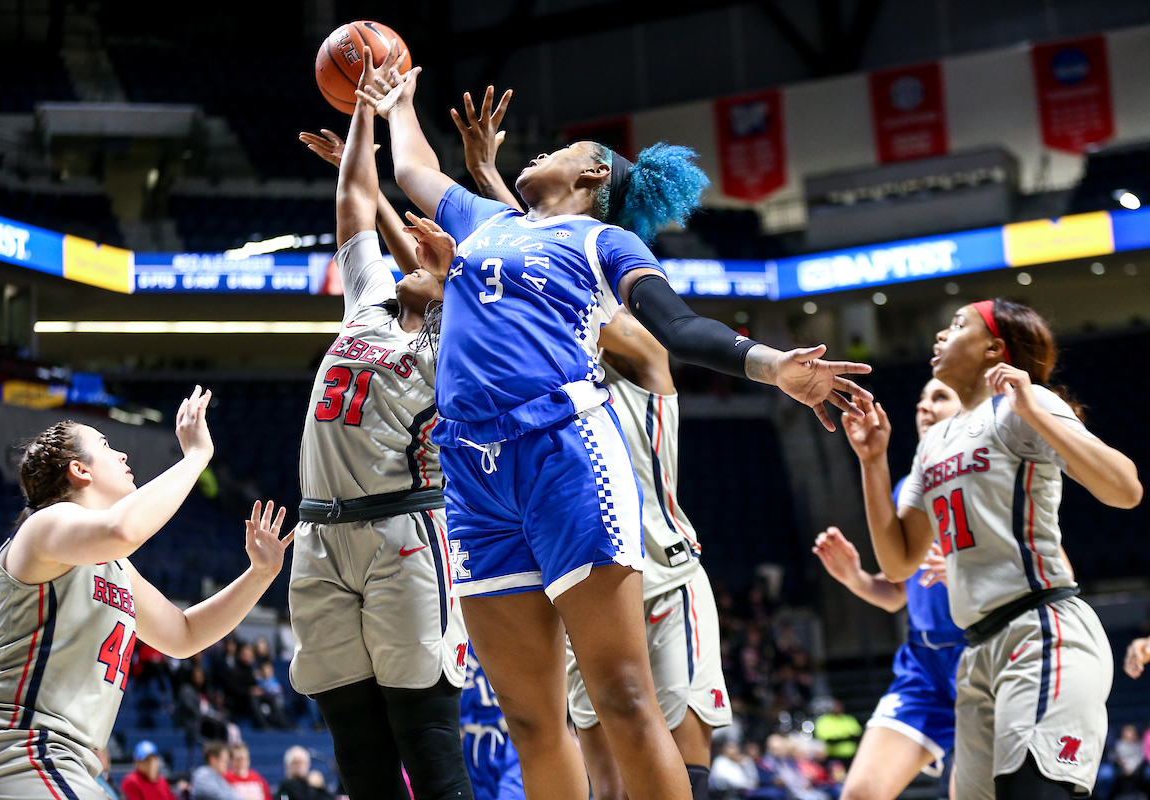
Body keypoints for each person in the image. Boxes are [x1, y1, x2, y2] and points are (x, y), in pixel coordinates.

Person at [360, 61, 871, 800]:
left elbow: (680, 326)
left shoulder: (603, 245)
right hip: (470, 472)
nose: (536, 154)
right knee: (531, 724)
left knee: (625, 701)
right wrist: (398, 102)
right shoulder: (486, 221)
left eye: (558, 150)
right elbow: (410, 168)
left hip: (561, 451)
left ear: (594, 171)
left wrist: (771, 367)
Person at [449, 93, 732, 800]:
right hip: (573, 561)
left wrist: (499, 198)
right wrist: (489, 181)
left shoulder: (641, 351)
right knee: (603, 778)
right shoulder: (545, 359)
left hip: (661, 575)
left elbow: (546, 269)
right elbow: (521, 262)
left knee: (675, 757)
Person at [847, 298, 1142, 799]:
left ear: (994, 349)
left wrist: (1033, 408)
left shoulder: (1022, 404)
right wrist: (872, 463)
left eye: (957, 324)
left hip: (1041, 630)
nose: (941, 335)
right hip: (978, 652)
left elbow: (1125, 489)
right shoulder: (932, 443)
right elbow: (899, 561)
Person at [0, 387, 293, 800]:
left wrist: (260, 574)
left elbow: (183, 635)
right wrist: (197, 457)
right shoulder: (43, 526)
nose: (123, 455)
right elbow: (123, 530)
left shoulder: (115, 566)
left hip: (62, 761)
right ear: (80, 470)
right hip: (18, 749)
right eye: (107, 445)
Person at [290, 46, 472, 800]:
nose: (411, 251)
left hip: (404, 534)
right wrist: (365, 103)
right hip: (319, 535)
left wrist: (445, 257)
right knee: (359, 760)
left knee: (428, 755)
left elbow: (415, 240)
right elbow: (353, 207)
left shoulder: (455, 342)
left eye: (429, 255)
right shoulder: (367, 304)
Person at [812, 377, 965, 800]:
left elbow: (1051, 571)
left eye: (939, 396)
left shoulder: (992, 479)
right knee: (860, 794)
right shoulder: (907, 491)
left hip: (985, 656)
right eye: (920, 398)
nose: (923, 406)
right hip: (924, 664)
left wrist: (973, 575)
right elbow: (900, 592)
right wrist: (855, 579)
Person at [460, 642, 524, 800]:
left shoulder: (503, 625)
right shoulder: (451, 629)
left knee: (513, 794)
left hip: (512, 734)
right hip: (473, 741)